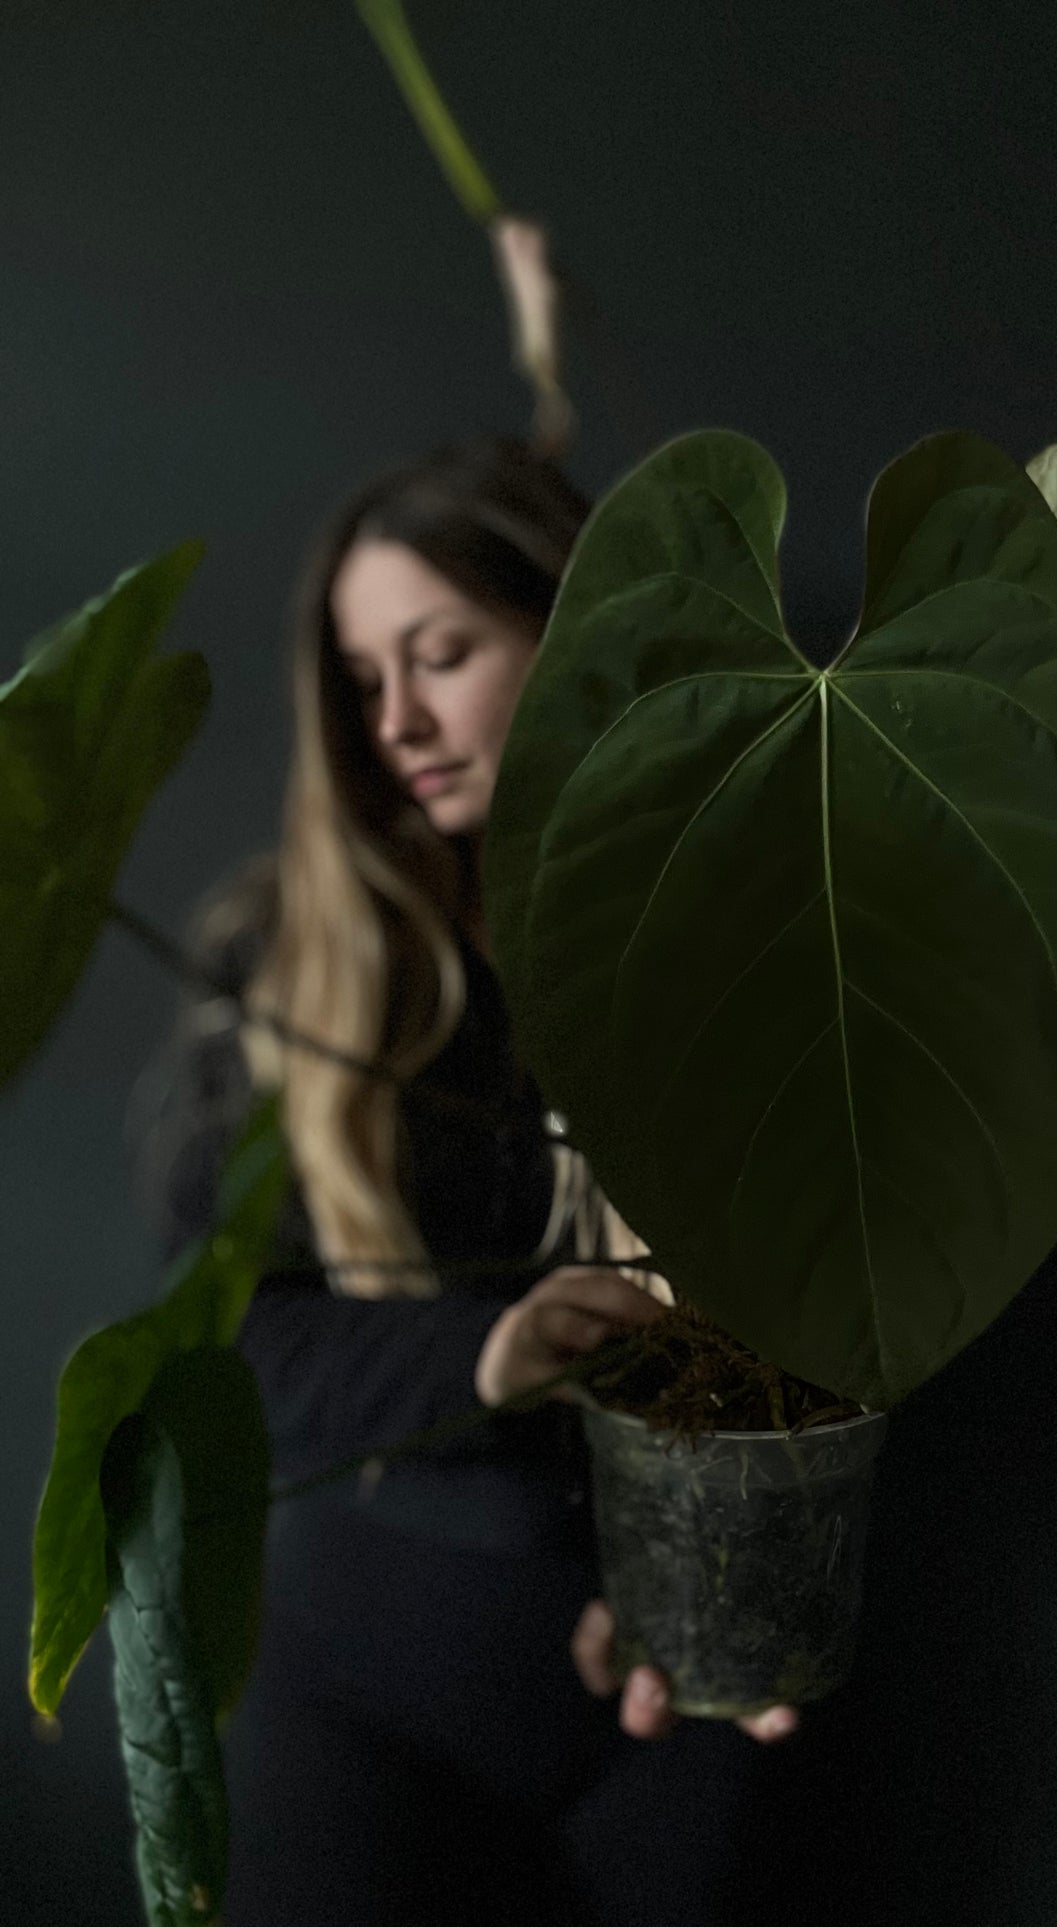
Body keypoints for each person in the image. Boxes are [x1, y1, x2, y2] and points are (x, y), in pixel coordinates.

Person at [135, 433, 797, 1927]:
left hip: (676, 1708)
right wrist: (485, 1350)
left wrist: (722, 1561)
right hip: (363, 1688)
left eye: (441, 655)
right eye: (365, 679)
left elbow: (850, 1299)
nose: (400, 721)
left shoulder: (750, 933)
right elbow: (235, 1335)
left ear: (573, 639)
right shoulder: (291, 965)